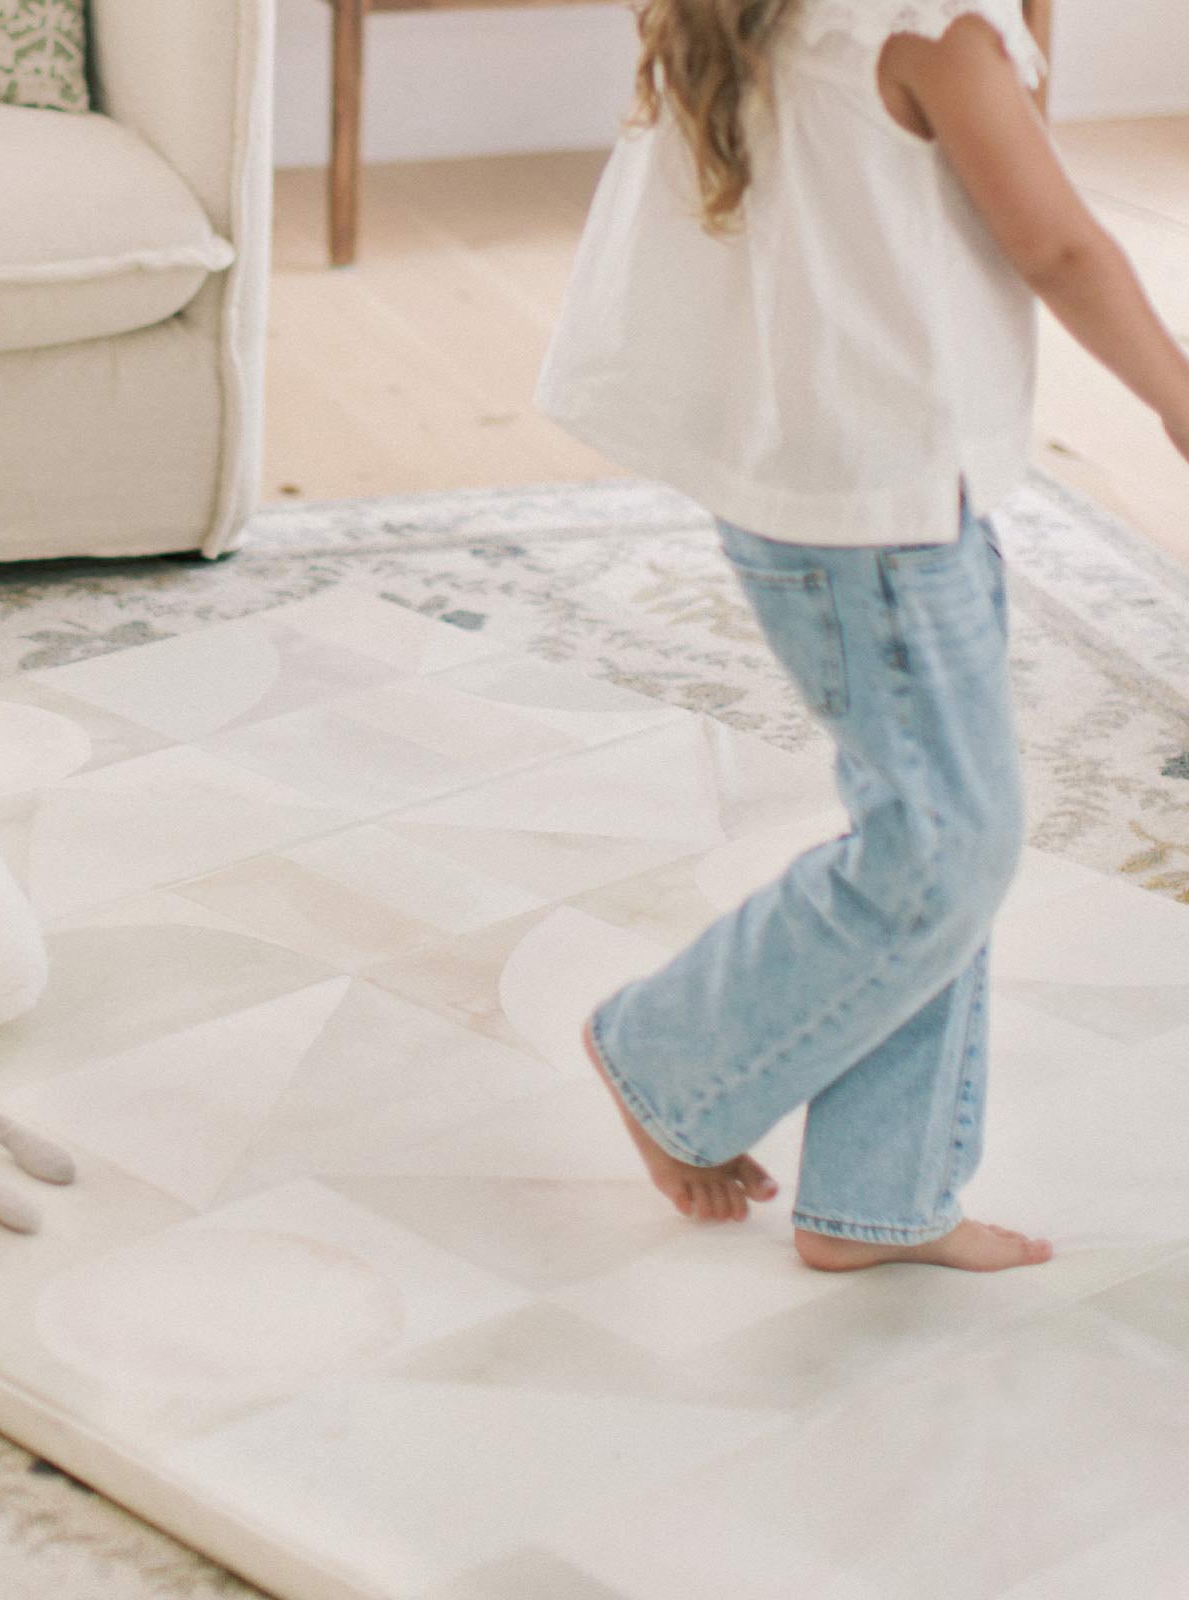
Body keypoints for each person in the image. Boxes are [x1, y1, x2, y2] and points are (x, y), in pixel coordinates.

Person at [536, 0, 1189, 1273]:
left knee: (934, 832)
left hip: (848, 485)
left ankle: (878, 1196)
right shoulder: (928, 26)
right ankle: (664, 1050)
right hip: (872, 515)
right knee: (947, 848)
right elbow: (1055, 244)